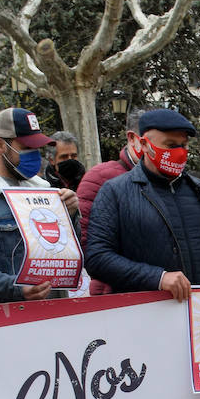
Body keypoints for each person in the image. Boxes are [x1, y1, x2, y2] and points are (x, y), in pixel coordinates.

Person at [84, 108, 200, 301]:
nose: (179, 153)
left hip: (199, 312)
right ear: (144, 145)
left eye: (183, 145)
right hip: (143, 312)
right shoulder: (115, 192)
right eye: (171, 145)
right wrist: (158, 278)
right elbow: (97, 258)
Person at [0, 107, 80, 305]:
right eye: (26, 148)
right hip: (5, 319)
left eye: (37, 148)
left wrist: (71, 214)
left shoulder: (46, 190)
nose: (34, 155)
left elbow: (68, 251)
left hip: (52, 313)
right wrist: (18, 288)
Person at [78, 108, 143, 296]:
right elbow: (88, 245)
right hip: (113, 293)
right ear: (132, 139)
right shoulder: (100, 178)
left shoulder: (173, 181)